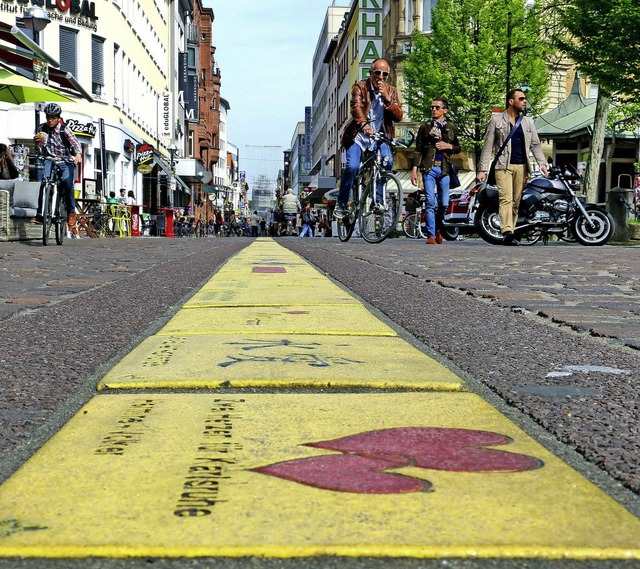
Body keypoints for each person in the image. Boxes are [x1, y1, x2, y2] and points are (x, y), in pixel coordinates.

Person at [334, 58, 403, 219]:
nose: (380, 77)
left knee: (388, 162)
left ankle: (377, 200)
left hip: (379, 136)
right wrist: (364, 125)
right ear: (371, 73)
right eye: (377, 73)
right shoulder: (360, 87)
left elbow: (398, 116)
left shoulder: (391, 91)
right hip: (358, 136)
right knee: (352, 167)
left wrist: (387, 99)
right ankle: (342, 203)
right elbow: (356, 108)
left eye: (384, 74)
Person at [477, 89, 548, 246]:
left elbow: (535, 144)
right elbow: (488, 145)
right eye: (521, 99)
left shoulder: (528, 122)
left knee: (516, 201)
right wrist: (482, 169)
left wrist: (542, 163)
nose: (525, 101)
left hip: (522, 166)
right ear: (511, 101)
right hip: (503, 166)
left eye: (525, 99)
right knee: (505, 198)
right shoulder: (496, 120)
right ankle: (507, 232)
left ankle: (512, 230)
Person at [411, 97, 461, 245]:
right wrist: (414, 170)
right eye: (432, 107)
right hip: (428, 168)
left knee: (444, 203)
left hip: (444, 169)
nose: (434, 110)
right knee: (430, 202)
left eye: (437, 107)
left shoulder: (451, 127)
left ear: (445, 110)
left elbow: (458, 148)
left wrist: (448, 146)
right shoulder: (425, 127)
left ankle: (438, 228)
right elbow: (418, 150)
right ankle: (431, 234)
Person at [33, 103, 82, 230]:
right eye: (48, 117)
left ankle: (71, 211)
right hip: (50, 159)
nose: (50, 120)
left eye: (53, 118)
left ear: (58, 118)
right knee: (44, 183)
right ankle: (40, 213)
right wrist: (37, 144)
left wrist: (77, 155)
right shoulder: (42, 128)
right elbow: (39, 149)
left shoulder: (64, 130)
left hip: (66, 160)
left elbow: (76, 144)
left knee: (67, 182)